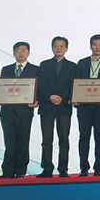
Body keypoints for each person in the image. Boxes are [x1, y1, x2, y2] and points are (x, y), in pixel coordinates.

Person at [0, 41, 39, 179]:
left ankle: (21, 171)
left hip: (25, 111)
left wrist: (37, 101)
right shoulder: (6, 69)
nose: (21, 53)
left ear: (29, 53)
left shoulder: (36, 69)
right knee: (9, 142)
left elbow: (38, 89)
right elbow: (1, 89)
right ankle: (7, 171)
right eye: (18, 50)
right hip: (7, 111)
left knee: (23, 141)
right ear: (14, 53)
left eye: (24, 50)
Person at [74, 34, 100, 176]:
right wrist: (75, 98)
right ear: (90, 46)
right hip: (84, 106)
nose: (97, 47)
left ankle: (98, 167)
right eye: (94, 44)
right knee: (83, 136)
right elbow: (76, 82)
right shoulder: (82, 63)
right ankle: (84, 167)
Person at [37, 36, 77, 178]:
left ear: (66, 48)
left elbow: (73, 85)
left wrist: (62, 98)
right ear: (52, 48)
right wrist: (50, 96)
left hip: (64, 106)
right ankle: (47, 168)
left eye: (61, 46)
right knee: (46, 139)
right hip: (47, 106)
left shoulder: (73, 66)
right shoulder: (44, 65)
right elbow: (40, 84)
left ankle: (63, 169)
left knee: (64, 139)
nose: (58, 48)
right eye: (56, 46)